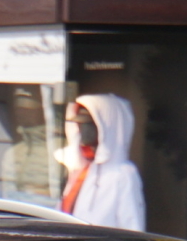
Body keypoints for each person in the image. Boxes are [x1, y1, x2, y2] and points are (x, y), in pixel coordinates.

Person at [57, 93, 147, 231]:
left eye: (89, 124)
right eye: (80, 124)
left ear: (106, 126)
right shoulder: (79, 167)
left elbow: (132, 227)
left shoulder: (123, 175)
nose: (83, 130)